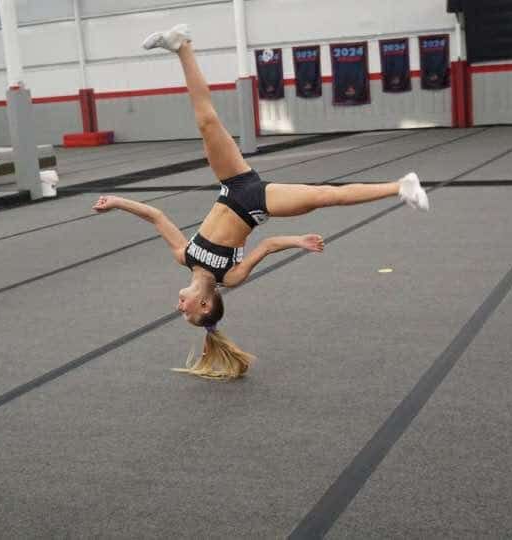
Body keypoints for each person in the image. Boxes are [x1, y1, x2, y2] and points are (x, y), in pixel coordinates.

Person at [92, 24, 429, 380]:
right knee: (324, 196)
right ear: (205, 304)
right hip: (255, 203)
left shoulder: (184, 256)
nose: (179, 306)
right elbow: (266, 244)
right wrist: (298, 241)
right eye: (186, 312)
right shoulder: (230, 277)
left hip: (233, 183)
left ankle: (182, 46)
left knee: (206, 121)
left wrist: (117, 201)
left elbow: (156, 215)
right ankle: (401, 186)